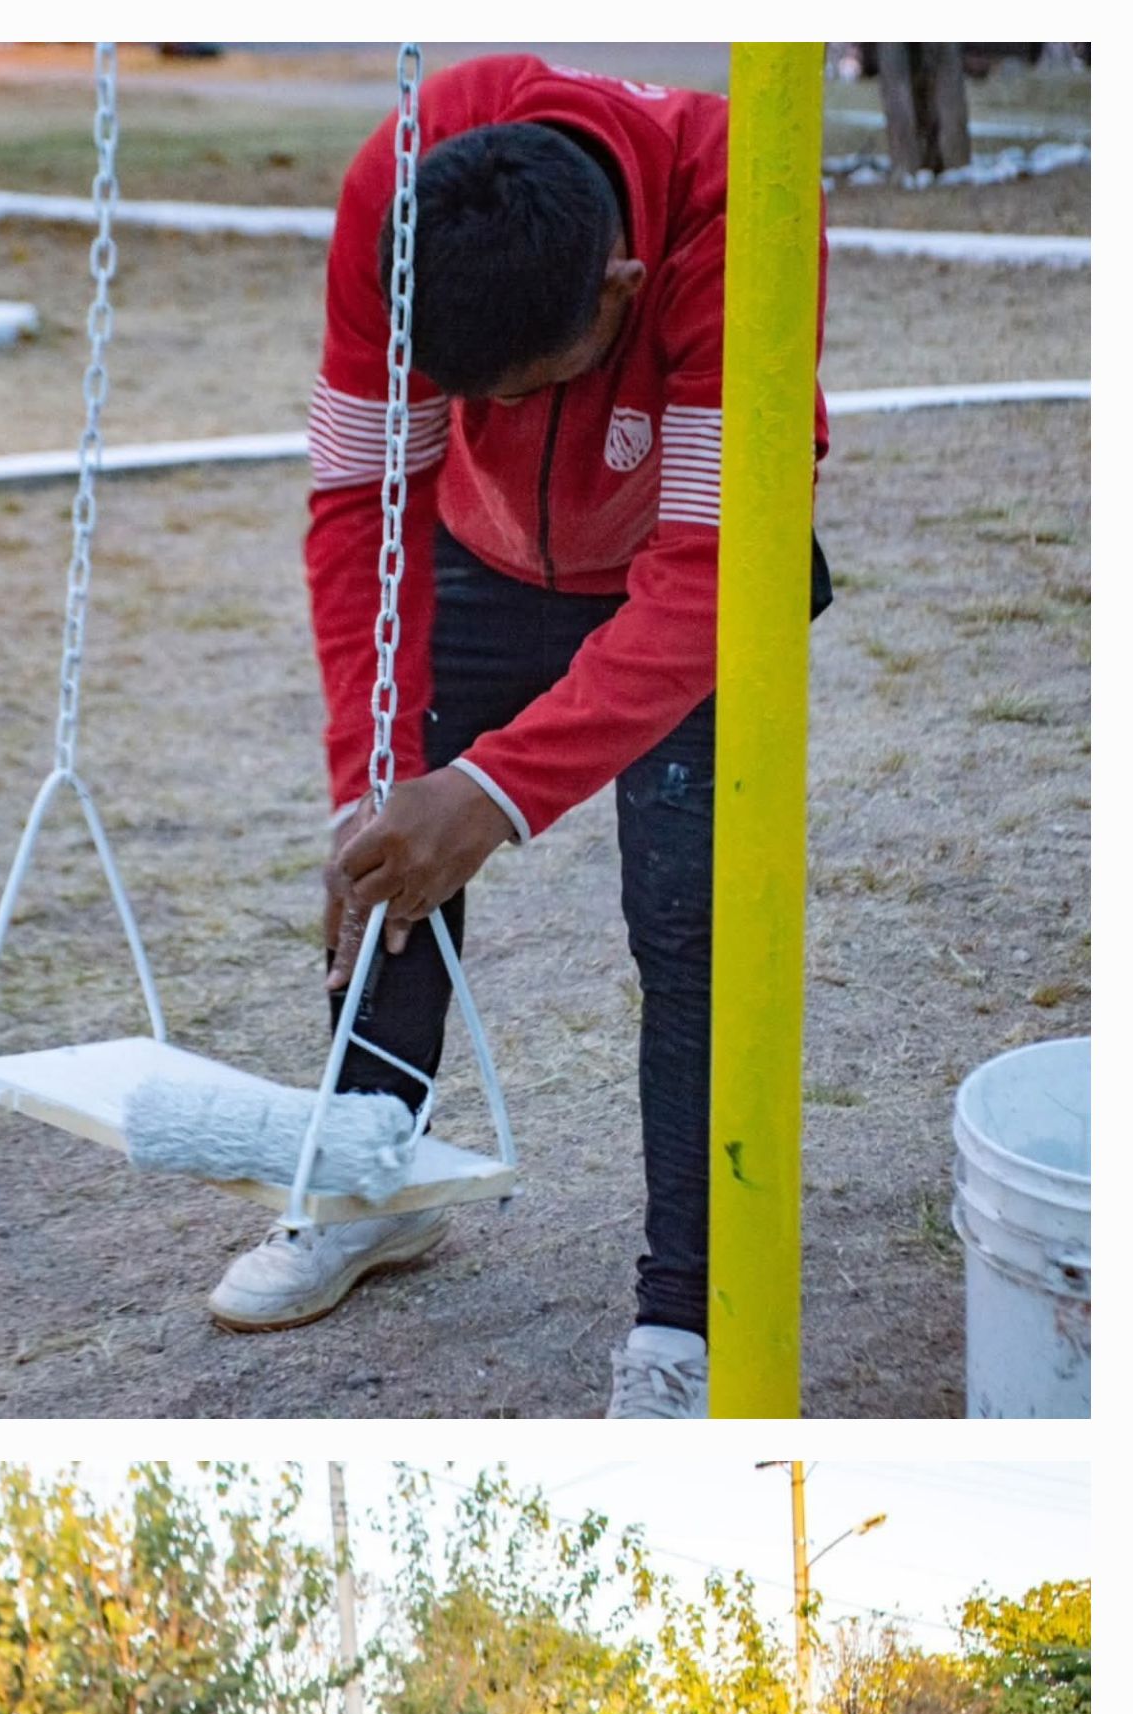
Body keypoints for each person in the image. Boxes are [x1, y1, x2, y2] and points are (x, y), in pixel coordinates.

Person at [210, 59, 831, 1420]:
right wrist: (377, 781)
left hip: (685, 567)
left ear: (618, 288)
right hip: (482, 556)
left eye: (531, 381)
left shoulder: (746, 203)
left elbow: (712, 570)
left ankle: (689, 1317)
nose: (495, 414)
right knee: (389, 855)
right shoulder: (397, 192)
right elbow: (364, 495)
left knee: (693, 922)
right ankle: (369, 1187)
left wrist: (490, 794)